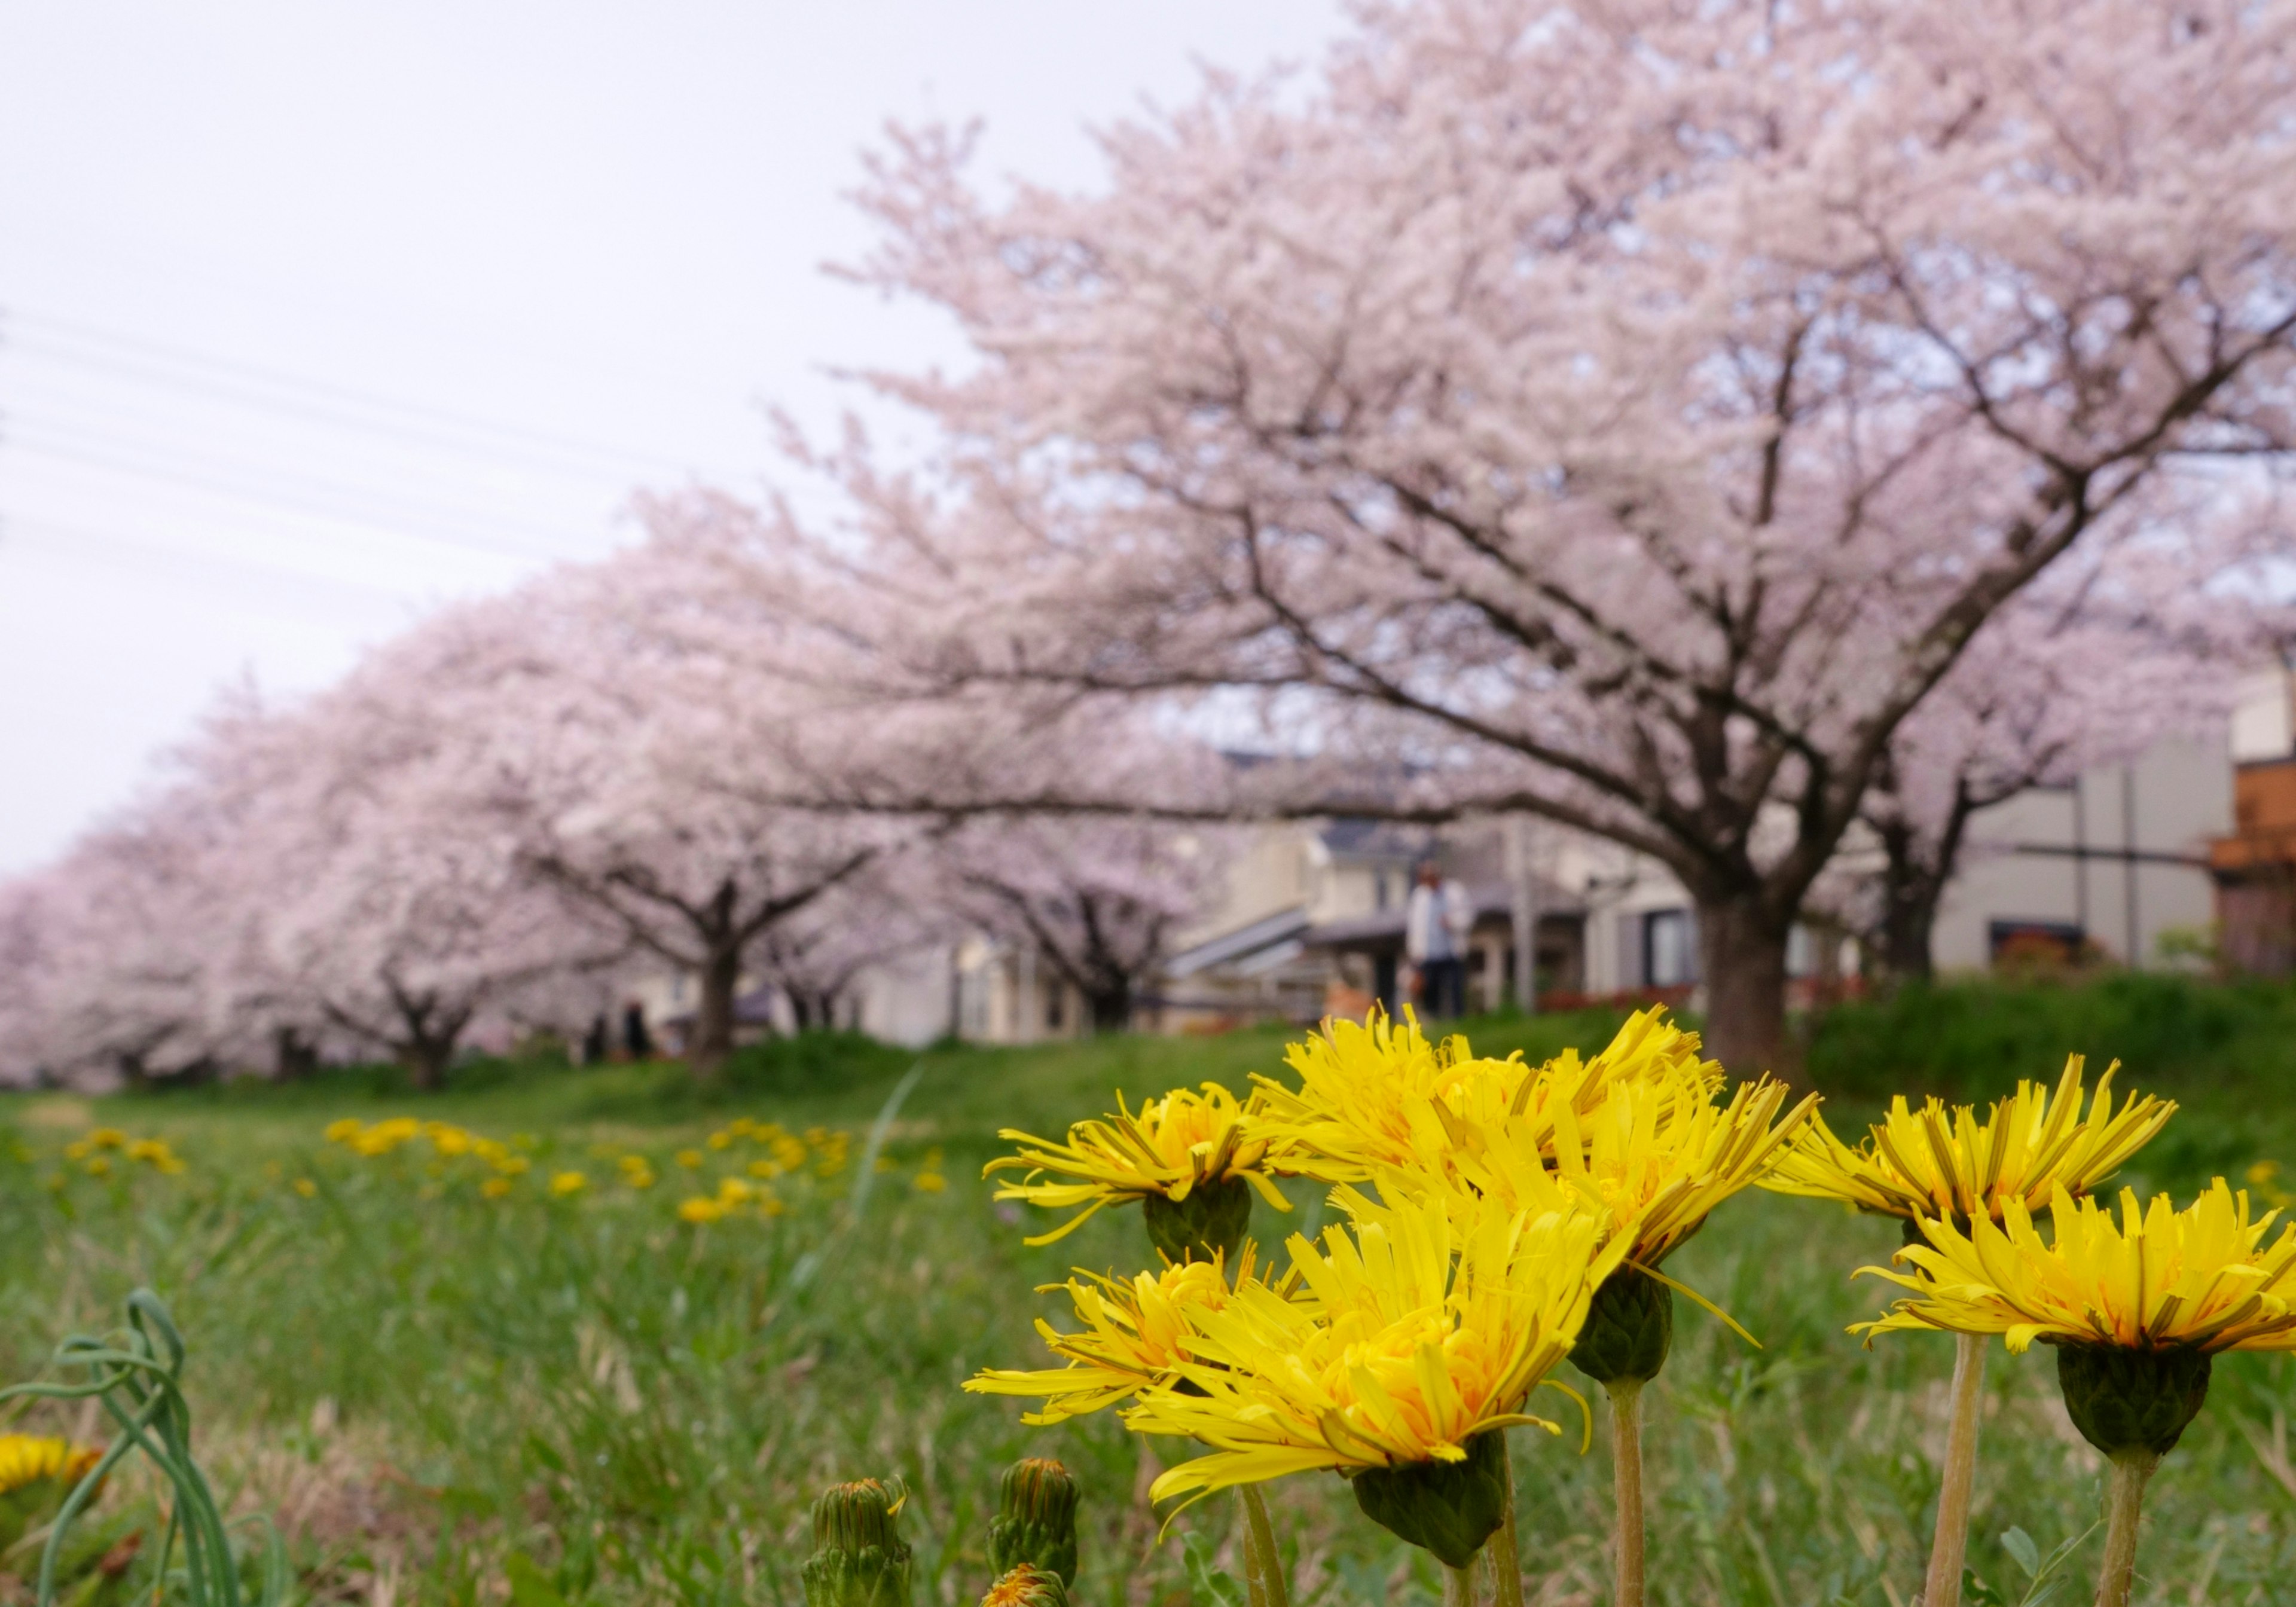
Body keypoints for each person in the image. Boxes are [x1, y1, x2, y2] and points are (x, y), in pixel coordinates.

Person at [1404, 860, 1474, 1019]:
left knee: (1455, 986)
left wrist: (1452, 922)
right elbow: (1414, 927)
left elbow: (1468, 916)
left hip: (1452, 951)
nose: (1429, 881)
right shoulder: (1419, 896)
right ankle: (1433, 1017)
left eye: (1431, 877)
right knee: (1430, 988)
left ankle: (1458, 1018)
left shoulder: (1454, 891)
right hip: (1428, 953)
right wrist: (1415, 951)